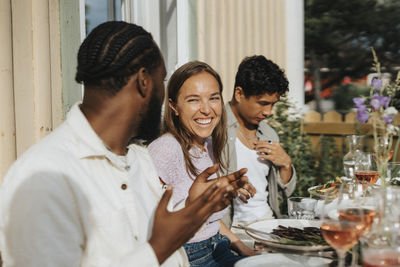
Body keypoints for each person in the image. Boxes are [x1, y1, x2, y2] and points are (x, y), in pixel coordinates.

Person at [0, 21, 250, 267]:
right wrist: (158, 249)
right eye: (162, 81)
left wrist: (193, 206)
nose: (163, 97)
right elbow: (157, 247)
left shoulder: (140, 160)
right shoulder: (42, 176)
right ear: (144, 82)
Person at [148, 61, 257, 266]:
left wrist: (242, 248)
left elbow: (211, 223)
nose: (206, 109)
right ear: (174, 106)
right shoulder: (164, 150)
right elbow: (150, 230)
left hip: (218, 246)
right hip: (186, 257)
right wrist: (193, 204)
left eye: (213, 98)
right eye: (193, 100)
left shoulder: (207, 144)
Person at [224, 55, 297, 225]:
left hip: (268, 223)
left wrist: (286, 165)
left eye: (273, 104)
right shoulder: (215, 129)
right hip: (231, 231)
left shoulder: (268, 134)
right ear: (239, 94)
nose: (268, 112)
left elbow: (278, 196)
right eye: (263, 103)